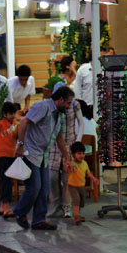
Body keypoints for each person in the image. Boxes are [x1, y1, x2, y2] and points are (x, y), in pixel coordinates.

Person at [13, 85, 74, 230]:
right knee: (34, 187)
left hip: (43, 155)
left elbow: (59, 136)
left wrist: (66, 157)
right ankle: (20, 212)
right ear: (60, 100)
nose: (69, 106)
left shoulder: (59, 114)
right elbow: (23, 122)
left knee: (44, 188)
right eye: (68, 103)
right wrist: (20, 145)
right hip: (31, 152)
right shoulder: (42, 107)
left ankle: (38, 220)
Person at [47, 82, 84, 219]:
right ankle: (54, 204)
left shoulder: (74, 104)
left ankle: (66, 207)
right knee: (52, 177)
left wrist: (78, 142)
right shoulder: (51, 105)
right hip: (53, 145)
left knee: (67, 178)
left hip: (70, 143)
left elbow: (80, 122)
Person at [66, 141, 100, 225]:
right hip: (72, 186)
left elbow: (88, 173)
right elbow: (68, 170)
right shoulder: (72, 164)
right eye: (79, 153)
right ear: (74, 154)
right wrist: (69, 168)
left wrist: (94, 179)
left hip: (81, 186)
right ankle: (76, 216)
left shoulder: (84, 163)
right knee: (76, 199)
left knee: (82, 201)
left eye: (83, 153)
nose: (82, 155)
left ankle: (78, 214)